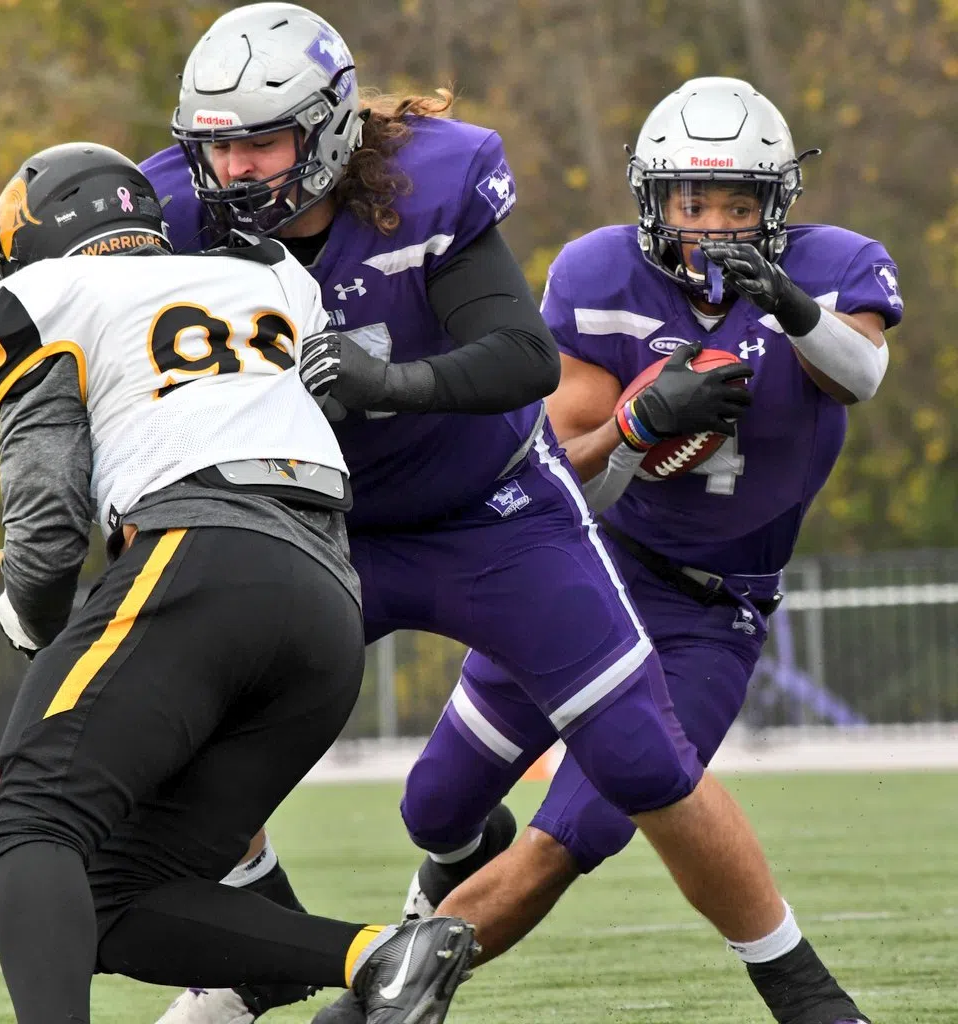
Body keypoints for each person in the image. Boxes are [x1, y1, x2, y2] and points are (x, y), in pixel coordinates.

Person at [143, 7, 873, 1023]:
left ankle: (806, 996)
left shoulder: (431, 183)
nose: (236, 170)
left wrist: (389, 383)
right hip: (323, 519)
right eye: (218, 146)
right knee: (190, 718)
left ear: (332, 129)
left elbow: (521, 363)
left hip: (495, 515)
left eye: (262, 142)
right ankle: (259, 934)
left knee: (632, 773)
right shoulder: (166, 215)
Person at [384, 75, 900, 1024]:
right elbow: (555, 475)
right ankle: (433, 899)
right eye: (690, 202)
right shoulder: (598, 274)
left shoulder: (834, 267)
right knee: (435, 806)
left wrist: (789, 306)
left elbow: (861, 375)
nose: (711, 225)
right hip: (583, 578)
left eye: (738, 204)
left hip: (712, 609)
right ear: (651, 199)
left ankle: (372, 999)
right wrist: (636, 427)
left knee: (567, 839)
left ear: (779, 201)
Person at [0, 140, 480, 1024]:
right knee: (115, 896)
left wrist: (32, 618)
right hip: (326, 605)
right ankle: (379, 958)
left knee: (28, 826)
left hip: (202, 552)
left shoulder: (45, 294)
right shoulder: (271, 277)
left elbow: (47, 527)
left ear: (34, 240)